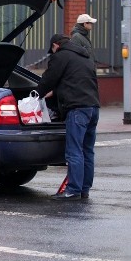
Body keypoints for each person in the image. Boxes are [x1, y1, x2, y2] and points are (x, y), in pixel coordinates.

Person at [37, 34, 100, 201]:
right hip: (93, 107)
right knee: (87, 151)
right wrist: (57, 92)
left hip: (77, 109)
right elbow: (78, 81)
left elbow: (49, 79)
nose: (52, 53)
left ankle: (73, 190)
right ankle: (84, 189)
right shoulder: (85, 57)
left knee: (74, 151)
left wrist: (36, 96)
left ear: (56, 45)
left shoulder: (61, 56)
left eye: (52, 50)